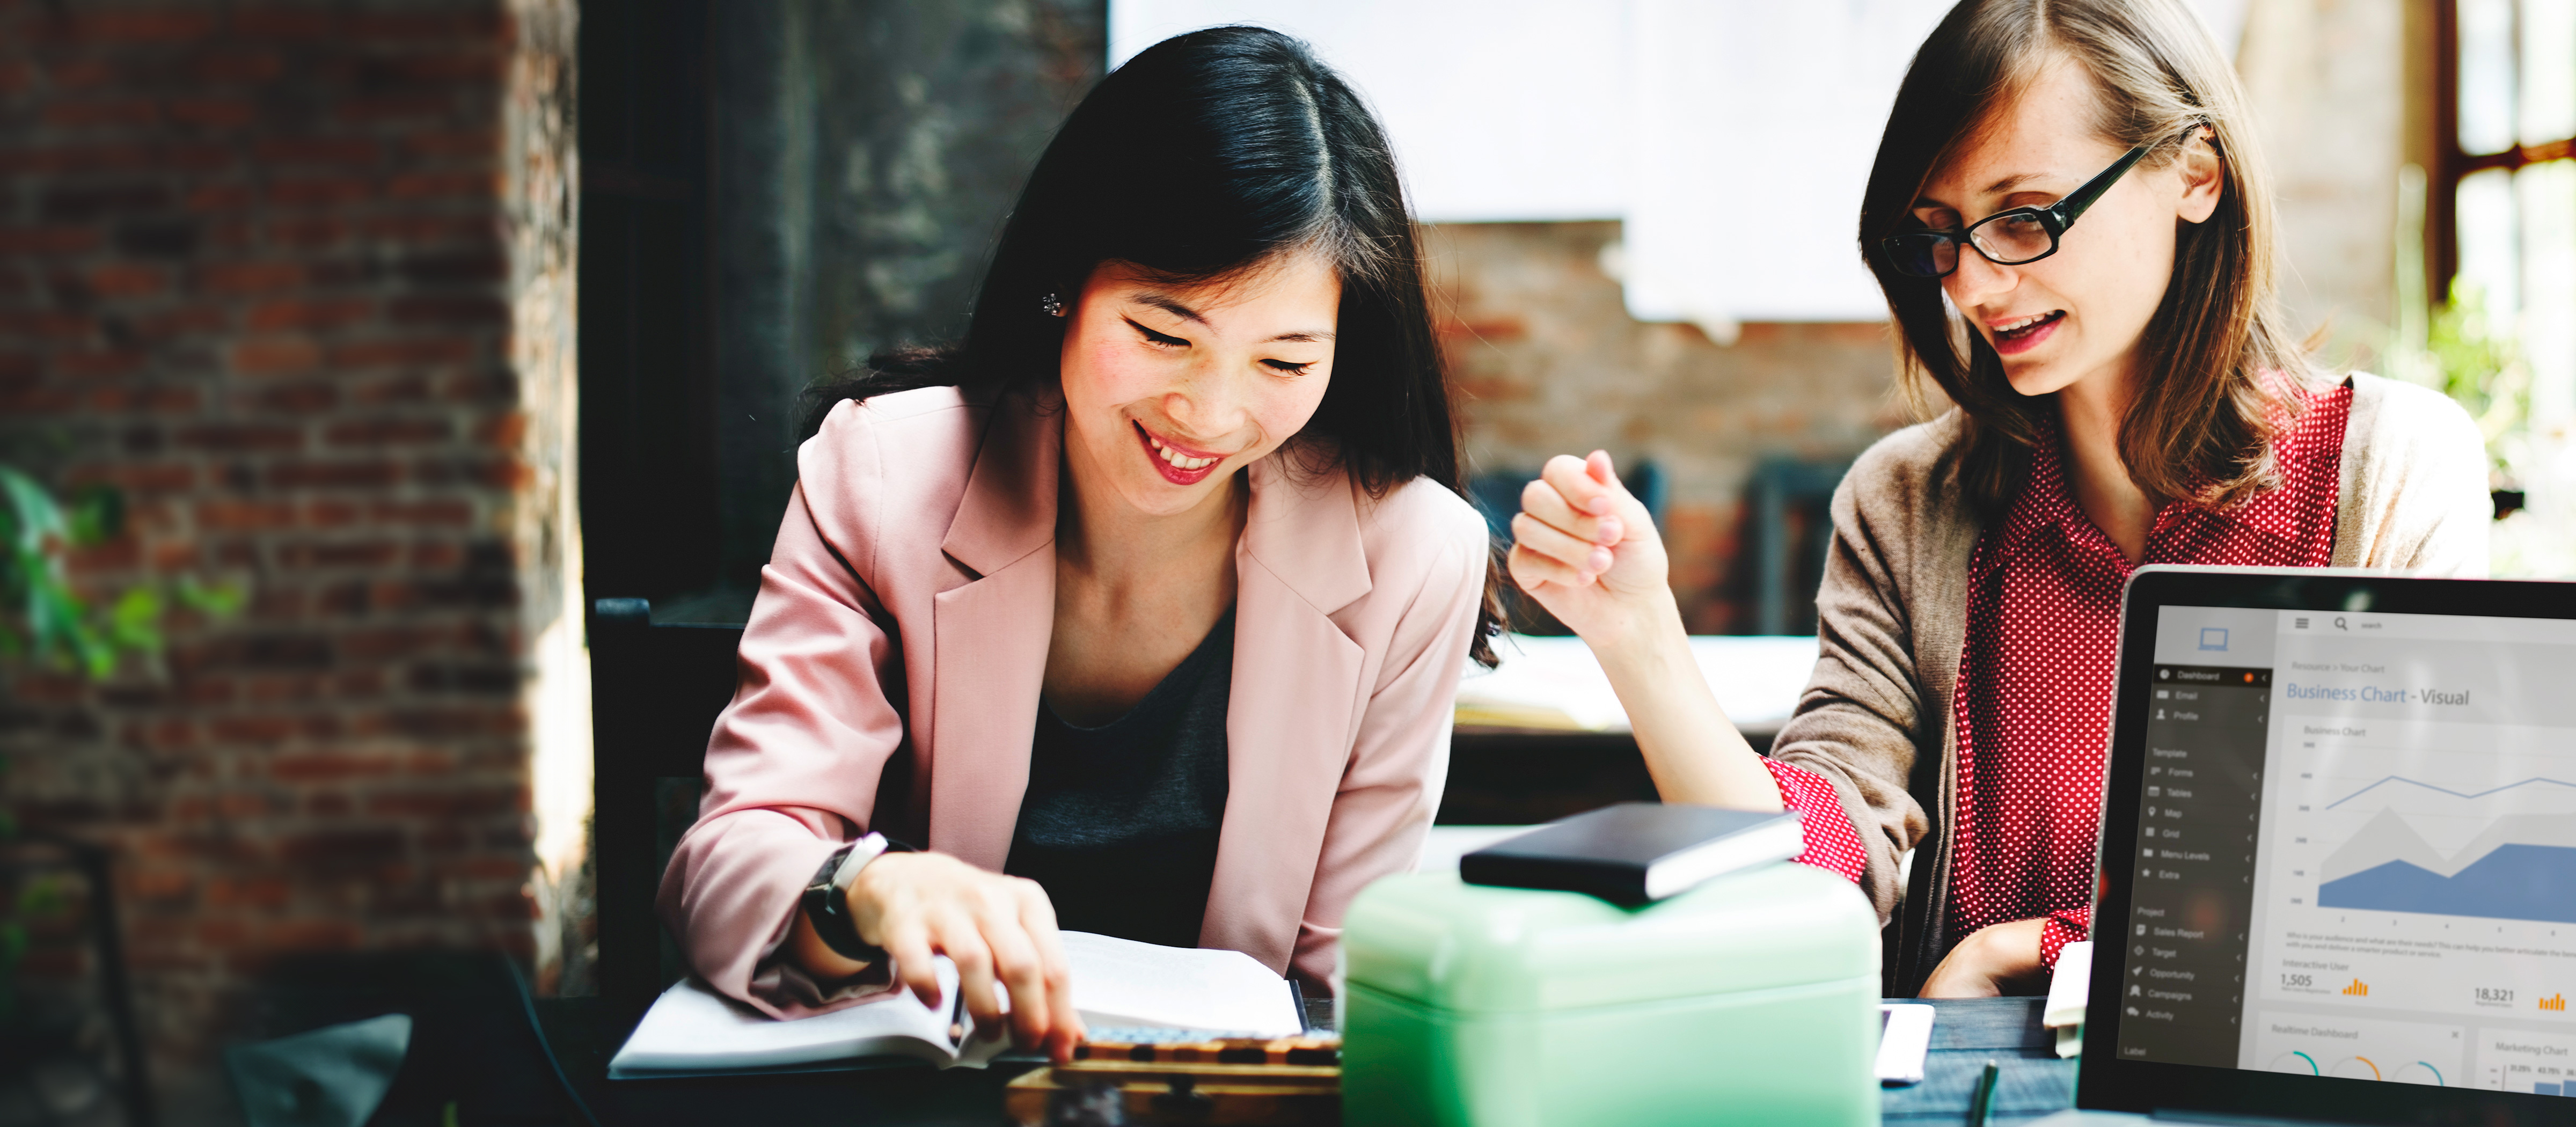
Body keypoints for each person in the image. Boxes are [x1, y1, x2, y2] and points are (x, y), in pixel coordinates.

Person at [1507, 0, 2489, 999]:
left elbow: (2397, 896)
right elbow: (1812, 865)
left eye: (2025, 217)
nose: (1973, 286)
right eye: (1938, 235)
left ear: (2196, 173)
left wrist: (2034, 952)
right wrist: (1640, 639)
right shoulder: (1906, 503)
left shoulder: (2389, 471)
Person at [657, 26, 1500, 1062]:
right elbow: (730, 869)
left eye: (1283, 362)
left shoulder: (1414, 555)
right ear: (1068, 283)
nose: (1209, 411)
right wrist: (865, 891)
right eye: (1162, 334)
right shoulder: (880, 476)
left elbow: (1337, 990)